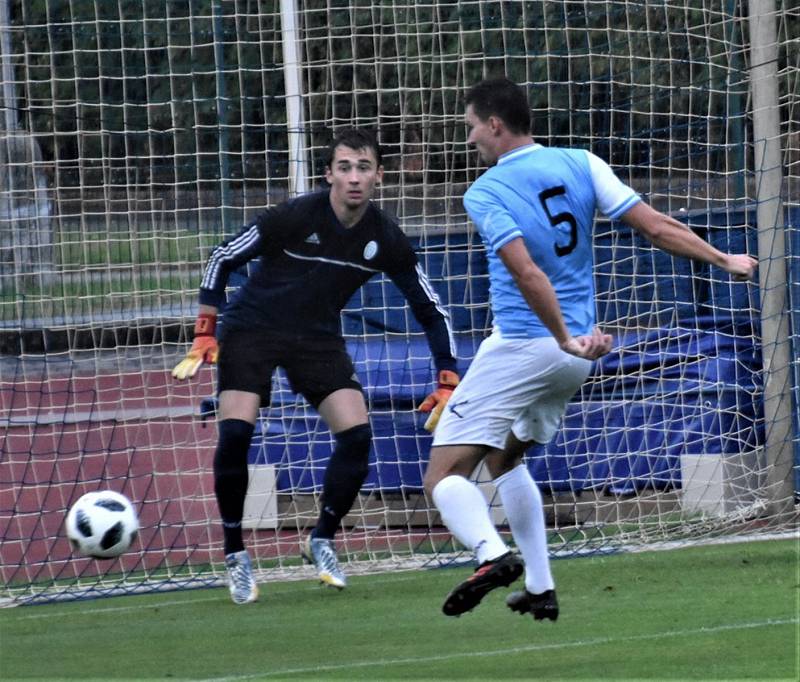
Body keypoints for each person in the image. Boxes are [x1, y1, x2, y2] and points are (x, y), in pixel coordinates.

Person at [422, 77, 758, 620]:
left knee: (443, 476)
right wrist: (724, 260)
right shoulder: (582, 161)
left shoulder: (484, 192)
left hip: (530, 346)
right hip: (577, 356)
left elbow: (526, 271)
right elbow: (654, 225)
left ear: (494, 125)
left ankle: (491, 555)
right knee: (505, 458)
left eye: (470, 129)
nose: (469, 141)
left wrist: (560, 336)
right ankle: (540, 585)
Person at [172, 128, 458, 604]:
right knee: (237, 434)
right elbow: (222, 256)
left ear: (379, 176)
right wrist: (206, 328)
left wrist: (448, 375)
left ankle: (321, 538)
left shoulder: (385, 236)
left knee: (358, 437)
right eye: (344, 167)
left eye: (363, 168)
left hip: (316, 338)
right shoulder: (296, 215)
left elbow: (430, 308)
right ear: (328, 175)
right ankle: (235, 555)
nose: (353, 178)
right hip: (252, 328)